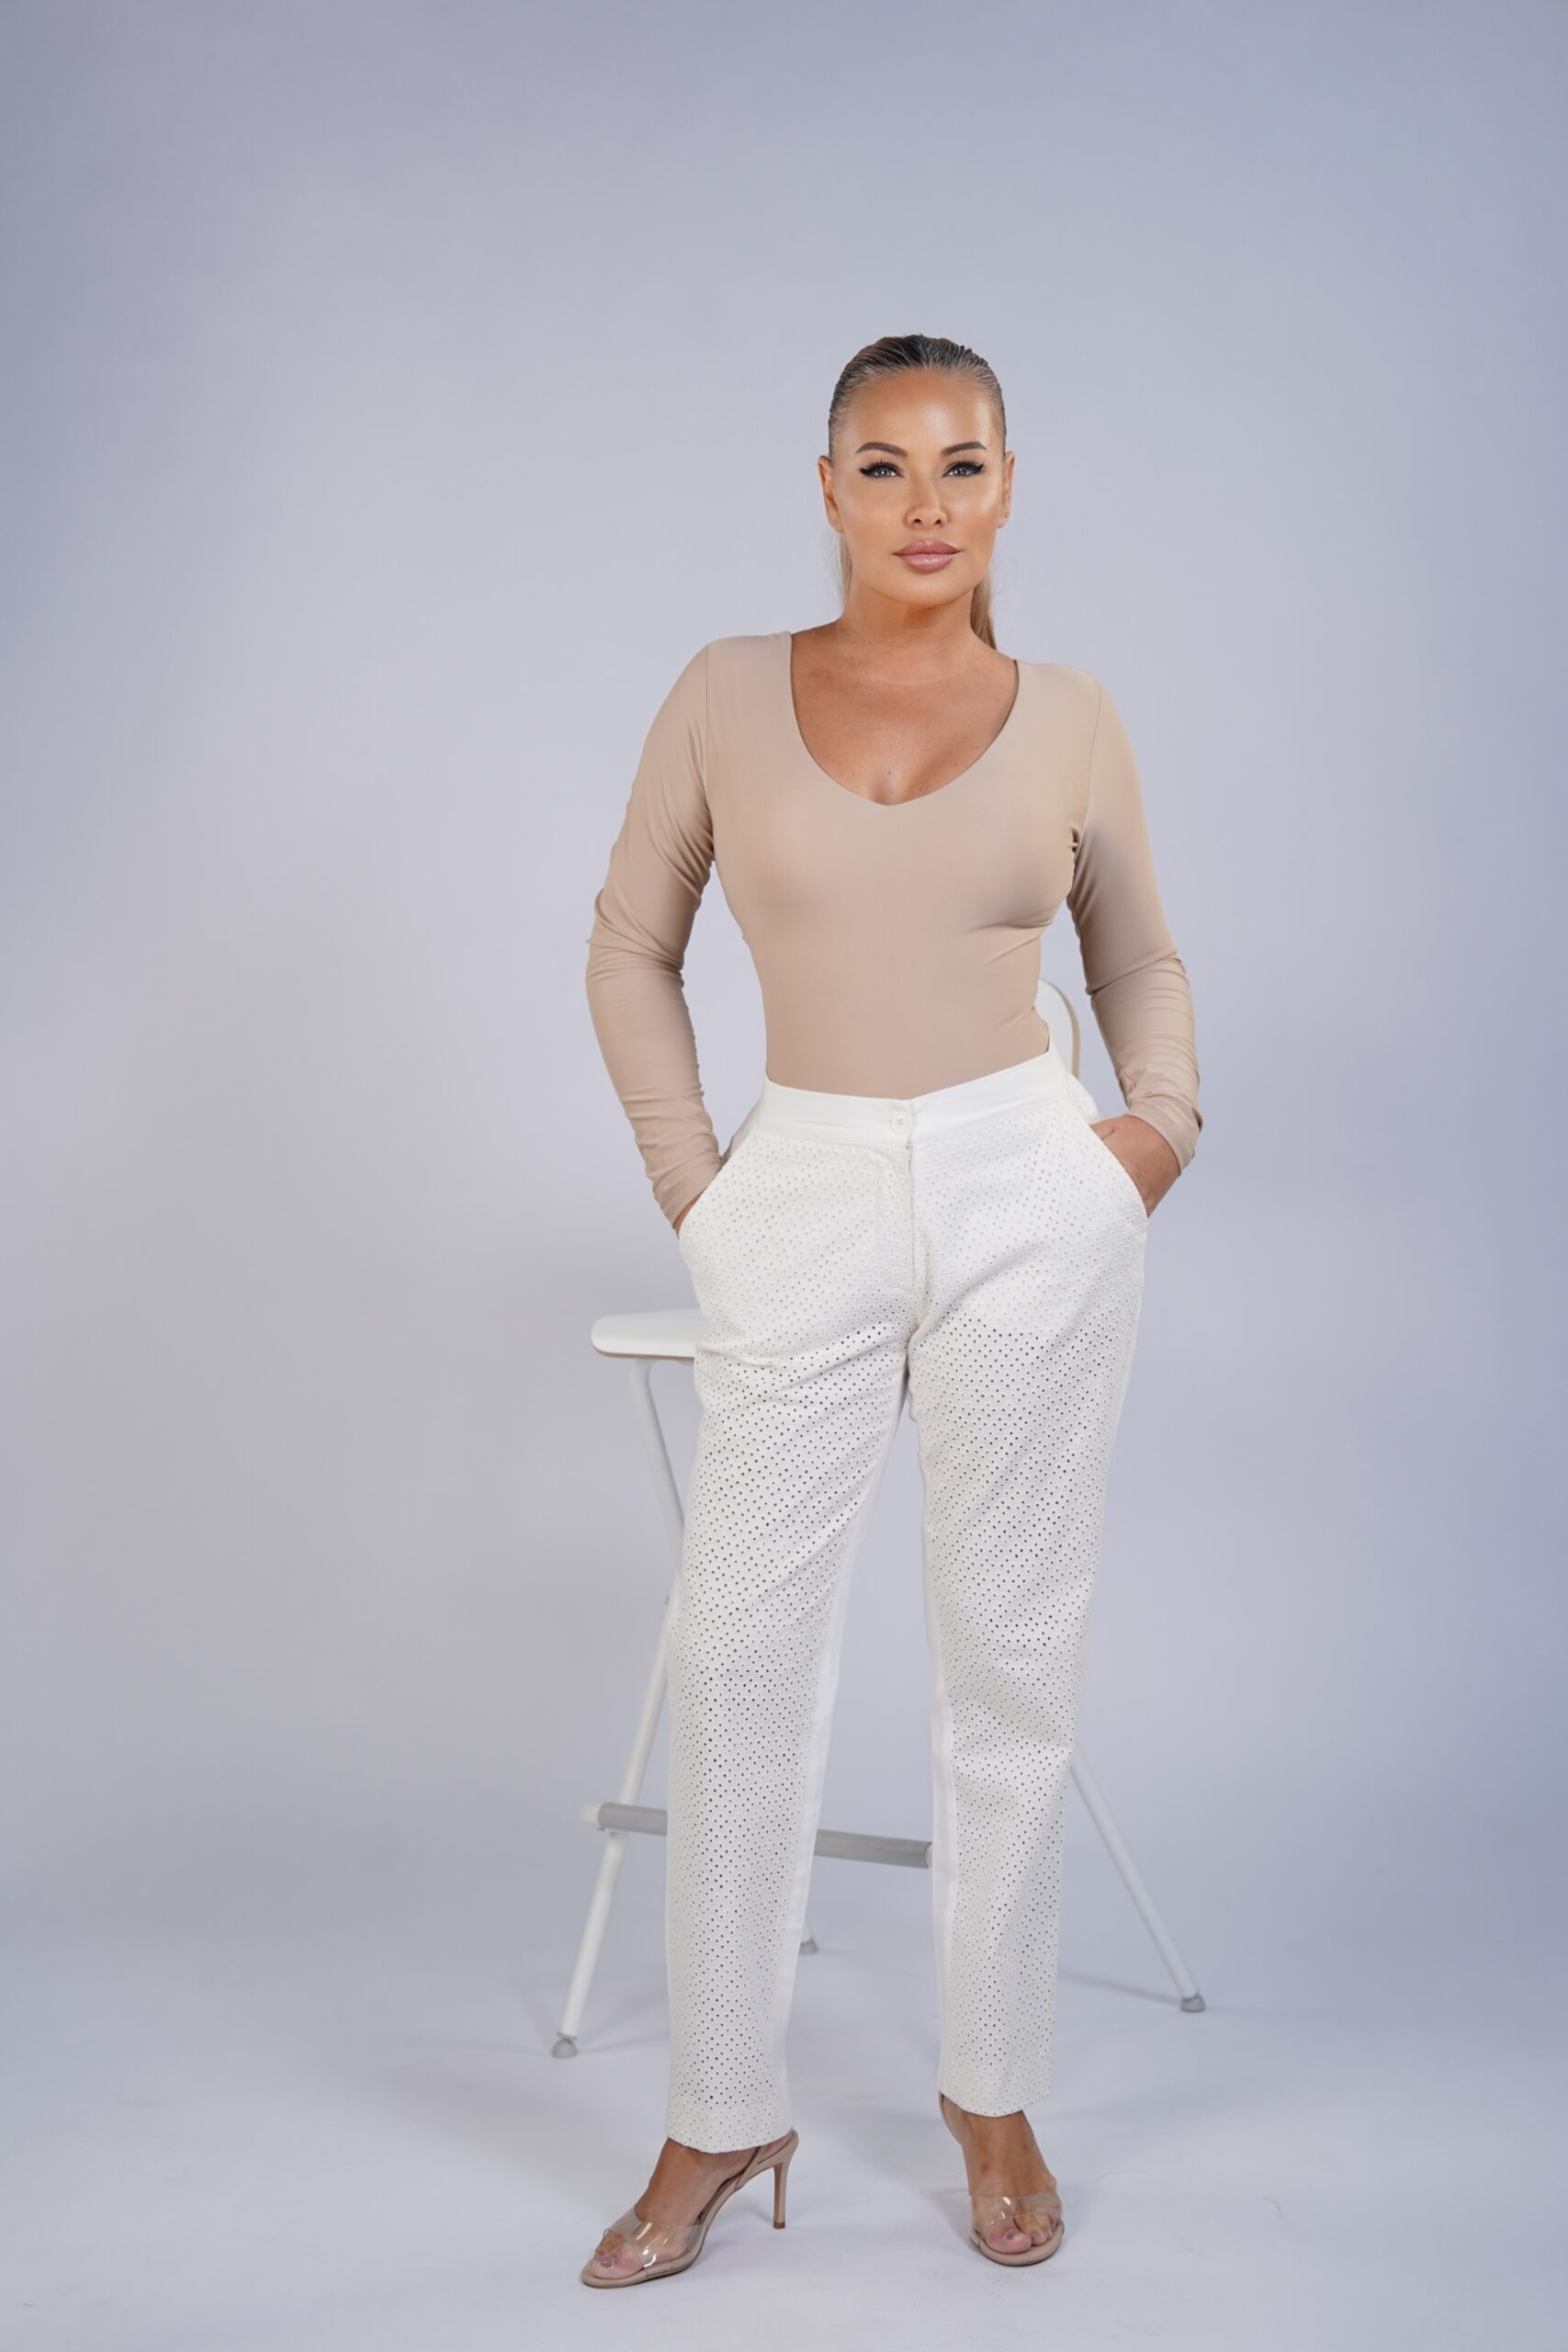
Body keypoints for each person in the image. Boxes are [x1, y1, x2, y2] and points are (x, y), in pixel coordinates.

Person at [578, 332, 1202, 2285]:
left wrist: (1150, 1138)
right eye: (883, 465)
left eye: (961, 464)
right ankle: (716, 2105)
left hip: (1030, 1186)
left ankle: (991, 2089)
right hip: (806, 1184)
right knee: (739, 1655)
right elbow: (628, 946)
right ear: (828, 486)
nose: (924, 504)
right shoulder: (720, 691)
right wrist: (701, 1193)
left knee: (1009, 1655)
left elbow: (1139, 957)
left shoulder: (1073, 715)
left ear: (1008, 485)